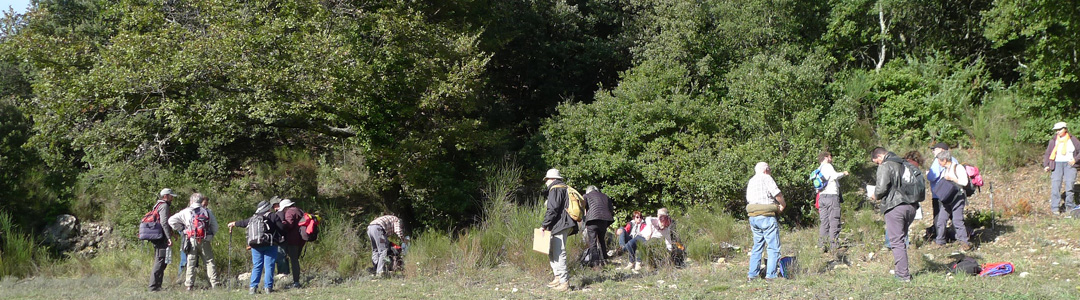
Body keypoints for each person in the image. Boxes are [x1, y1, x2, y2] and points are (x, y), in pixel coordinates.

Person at [870, 147, 920, 282]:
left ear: (879, 157)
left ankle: (903, 276)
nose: (878, 164)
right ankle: (900, 271)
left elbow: (881, 188)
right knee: (901, 240)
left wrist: (875, 195)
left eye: (876, 162)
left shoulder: (885, 165)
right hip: (912, 205)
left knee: (896, 242)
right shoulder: (905, 164)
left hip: (895, 206)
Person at [227, 200, 284, 294]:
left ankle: (253, 288)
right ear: (268, 208)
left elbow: (243, 222)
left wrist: (234, 223)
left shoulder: (254, 217)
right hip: (270, 244)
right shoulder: (273, 216)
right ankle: (268, 288)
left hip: (255, 245)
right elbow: (281, 229)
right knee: (269, 266)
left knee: (257, 266)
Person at [167, 193, 221, 290]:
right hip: (204, 240)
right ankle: (214, 283)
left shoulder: (186, 211)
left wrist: (182, 230)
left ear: (191, 200)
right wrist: (210, 236)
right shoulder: (207, 212)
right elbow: (215, 227)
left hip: (191, 239)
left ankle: (189, 285)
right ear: (201, 201)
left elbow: (171, 221)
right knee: (209, 261)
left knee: (191, 262)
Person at [745, 162, 785, 282]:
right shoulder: (766, 177)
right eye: (770, 169)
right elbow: (777, 193)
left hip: (753, 217)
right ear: (766, 170)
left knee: (757, 246)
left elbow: (748, 198)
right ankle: (771, 275)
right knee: (773, 246)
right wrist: (782, 205)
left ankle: (752, 274)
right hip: (766, 216)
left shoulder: (751, 181)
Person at [540, 168, 578, 292]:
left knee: (559, 253)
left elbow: (553, 210)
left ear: (552, 179)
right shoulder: (563, 188)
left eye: (546, 179)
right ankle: (557, 277)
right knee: (552, 251)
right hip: (562, 224)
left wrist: (544, 225)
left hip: (561, 225)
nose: (545, 182)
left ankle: (564, 282)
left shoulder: (555, 189)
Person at [932, 150, 972, 251]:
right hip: (947, 198)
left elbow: (964, 182)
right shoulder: (946, 170)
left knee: (957, 220)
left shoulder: (958, 168)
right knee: (941, 220)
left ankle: (965, 243)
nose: (939, 164)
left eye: (939, 161)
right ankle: (940, 241)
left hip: (958, 197)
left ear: (944, 160)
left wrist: (952, 179)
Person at [1042, 122, 1080, 214]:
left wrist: (1075, 159)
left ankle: (1069, 208)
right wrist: (1046, 165)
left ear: (1065, 129)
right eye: (1056, 130)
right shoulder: (1053, 141)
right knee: (1056, 186)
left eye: (1060, 129)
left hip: (1070, 165)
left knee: (1069, 186)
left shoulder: (1073, 140)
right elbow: (1048, 153)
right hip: (1056, 164)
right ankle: (1055, 208)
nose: (1058, 132)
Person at [816, 151, 848, 254]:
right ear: (826, 157)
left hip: (821, 197)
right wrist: (843, 173)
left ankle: (822, 245)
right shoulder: (828, 166)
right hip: (831, 196)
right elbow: (834, 176)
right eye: (830, 156)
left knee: (824, 221)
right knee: (834, 220)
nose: (831, 158)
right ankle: (834, 245)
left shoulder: (818, 169)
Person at [148, 188, 176, 292]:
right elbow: (164, 222)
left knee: (162, 260)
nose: (172, 198)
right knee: (160, 261)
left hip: (158, 237)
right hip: (161, 238)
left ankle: (157, 286)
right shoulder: (164, 206)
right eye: (171, 196)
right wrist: (169, 237)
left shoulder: (157, 205)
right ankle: (153, 287)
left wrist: (171, 234)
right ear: (165, 196)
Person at [177, 196, 211, 281]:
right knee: (185, 260)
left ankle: (192, 280)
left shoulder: (206, 213)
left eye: (206, 205)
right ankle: (181, 279)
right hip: (188, 239)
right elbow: (173, 221)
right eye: (204, 204)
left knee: (195, 262)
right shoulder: (188, 212)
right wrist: (183, 230)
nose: (205, 207)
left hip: (201, 239)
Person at [926, 142, 958, 228]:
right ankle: (963, 235)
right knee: (955, 216)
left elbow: (932, 176)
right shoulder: (954, 160)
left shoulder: (938, 160)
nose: (933, 151)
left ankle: (940, 238)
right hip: (953, 193)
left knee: (938, 217)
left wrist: (928, 174)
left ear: (942, 150)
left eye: (935, 149)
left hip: (939, 194)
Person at [582, 185, 614, 266]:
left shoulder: (586, 196)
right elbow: (611, 209)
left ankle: (595, 263)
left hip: (592, 220)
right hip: (604, 220)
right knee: (601, 240)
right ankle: (605, 261)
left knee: (593, 242)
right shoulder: (605, 196)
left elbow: (582, 207)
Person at [277, 198, 306, 288]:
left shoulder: (289, 212)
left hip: (292, 240)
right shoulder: (299, 210)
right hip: (301, 239)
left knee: (294, 261)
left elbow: (289, 225)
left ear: (285, 207)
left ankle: (296, 282)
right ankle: (296, 280)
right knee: (295, 260)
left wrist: (282, 223)